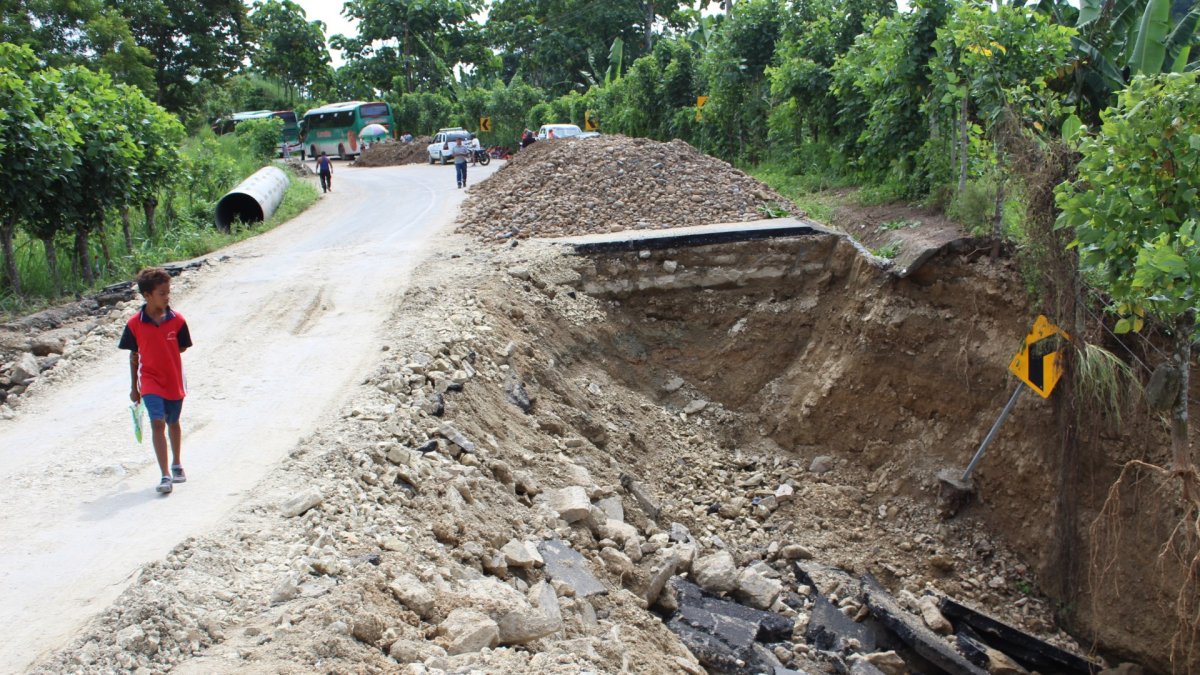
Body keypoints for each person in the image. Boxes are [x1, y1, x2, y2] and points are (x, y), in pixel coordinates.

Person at [119, 267, 193, 495]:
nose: (167, 297)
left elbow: (181, 346)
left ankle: (177, 463)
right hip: (149, 381)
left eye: (168, 292)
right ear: (147, 296)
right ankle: (165, 475)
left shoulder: (177, 321)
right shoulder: (134, 324)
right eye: (162, 293)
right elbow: (134, 357)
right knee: (157, 423)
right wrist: (134, 387)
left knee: (173, 421)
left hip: (173, 380)